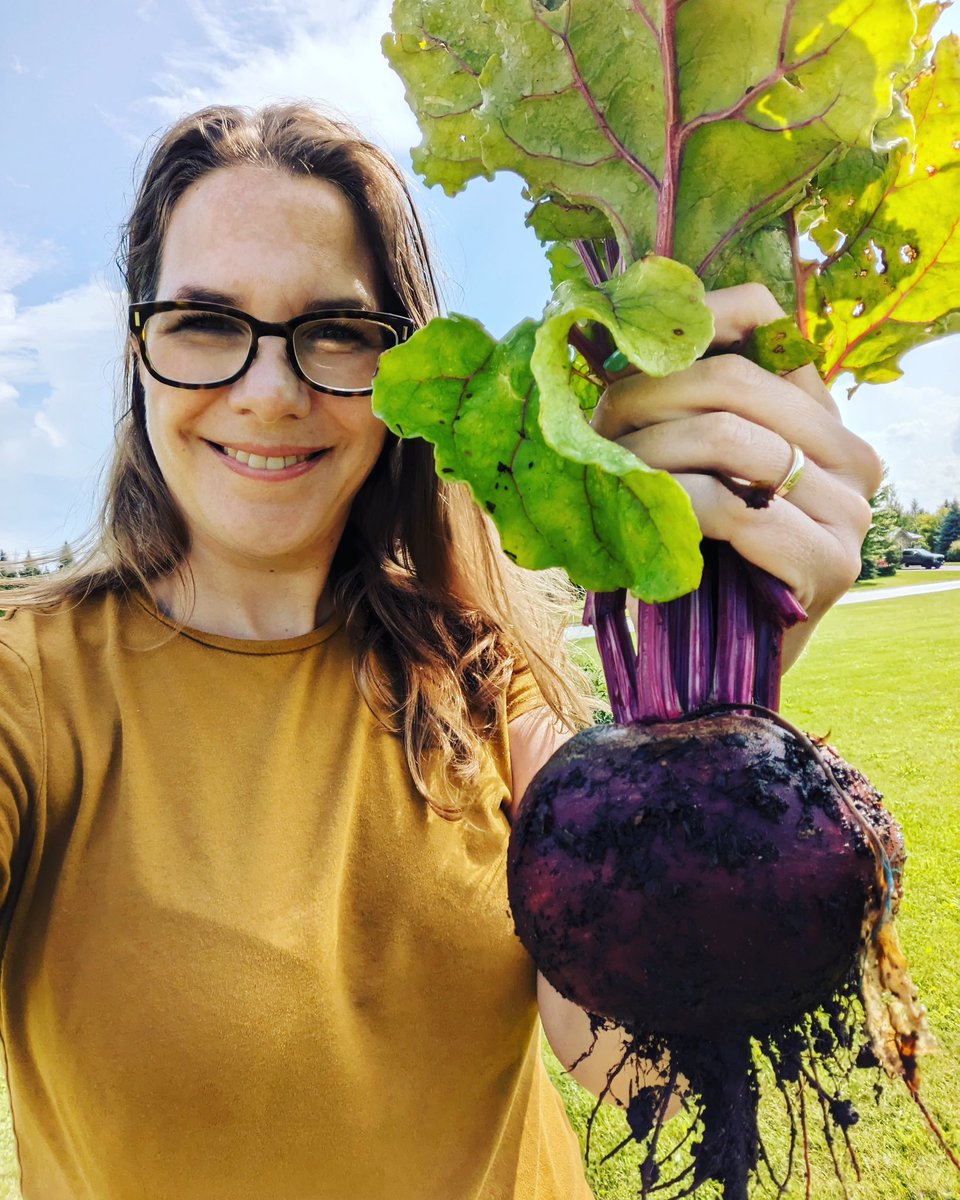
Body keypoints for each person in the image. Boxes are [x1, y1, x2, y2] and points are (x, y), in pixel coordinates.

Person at [0, 103, 881, 1200]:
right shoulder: (29, 685)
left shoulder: (478, 676)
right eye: (203, 321)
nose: (270, 390)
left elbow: (638, 1072)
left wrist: (723, 754)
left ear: (403, 375)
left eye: (335, 330)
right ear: (141, 355)